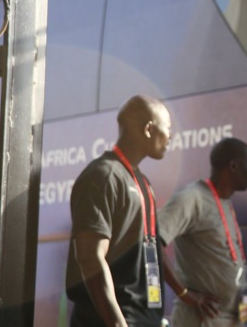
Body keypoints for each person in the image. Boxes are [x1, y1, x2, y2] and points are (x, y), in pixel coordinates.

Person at [65, 95, 172, 327]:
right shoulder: (101, 176)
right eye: (168, 128)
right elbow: (90, 256)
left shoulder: (143, 182)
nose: (171, 136)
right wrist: (117, 323)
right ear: (148, 129)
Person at [158, 138, 247, 326]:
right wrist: (186, 295)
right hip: (200, 320)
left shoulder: (226, 204)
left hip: (230, 320)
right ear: (234, 165)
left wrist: (244, 320)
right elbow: (152, 241)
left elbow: (238, 270)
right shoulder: (192, 198)